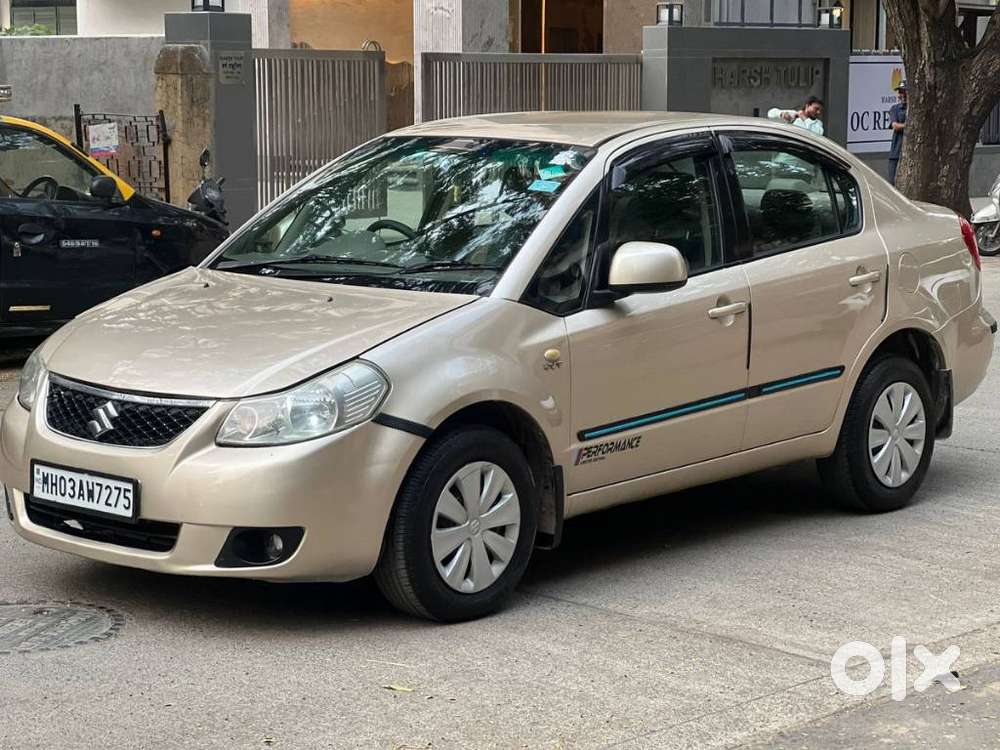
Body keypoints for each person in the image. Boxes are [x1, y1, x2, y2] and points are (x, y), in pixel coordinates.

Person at [887, 82, 907, 186]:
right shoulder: (894, 109)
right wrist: (908, 125)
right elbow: (895, 125)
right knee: (892, 183)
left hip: (908, 154)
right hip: (895, 153)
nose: (901, 94)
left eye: (903, 91)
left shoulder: (912, 109)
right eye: (900, 92)